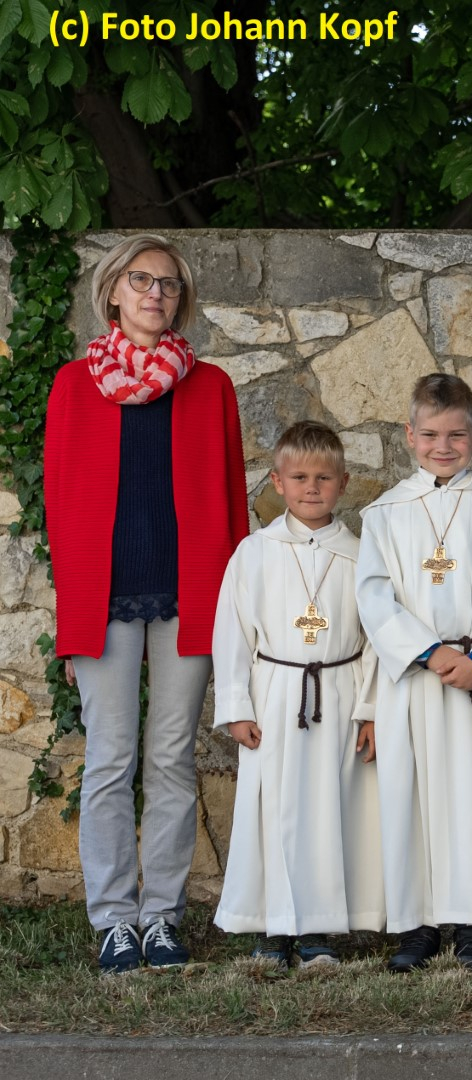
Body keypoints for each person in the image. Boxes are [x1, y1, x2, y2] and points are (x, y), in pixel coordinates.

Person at [44, 234, 247, 973]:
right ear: (113, 292)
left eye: (168, 283)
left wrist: (235, 614)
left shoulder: (211, 386)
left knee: (170, 759)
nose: (156, 294)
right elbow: (60, 509)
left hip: (189, 593)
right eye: (141, 280)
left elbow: (232, 503)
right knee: (108, 760)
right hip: (101, 599)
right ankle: (113, 921)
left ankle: (160, 917)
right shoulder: (74, 385)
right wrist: (69, 625)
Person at [355, 374, 472, 972]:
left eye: (456, 435)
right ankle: (418, 925)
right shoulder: (384, 514)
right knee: (414, 800)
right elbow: (373, 596)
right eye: (431, 434)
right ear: (410, 435)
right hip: (416, 679)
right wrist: (431, 653)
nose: (443, 446)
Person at [212, 421, 383, 965]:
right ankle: (272, 928)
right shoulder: (254, 553)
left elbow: (376, 641)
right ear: (277, 481)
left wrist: (370, 710)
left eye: (324, 478)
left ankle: (318, 930)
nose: (312, 488)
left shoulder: (361, 556)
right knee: (271, 807)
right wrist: (236, 706)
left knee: (328, 810)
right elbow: (232, 633)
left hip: (338, 693)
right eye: (300, 477)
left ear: (344, 482)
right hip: (276, 694)